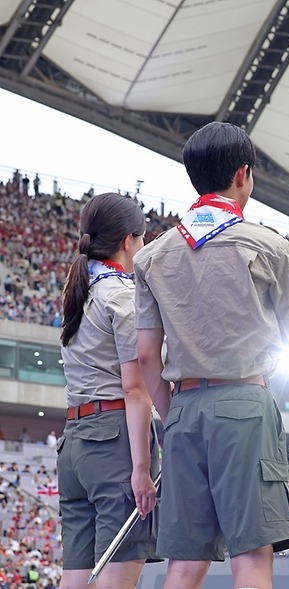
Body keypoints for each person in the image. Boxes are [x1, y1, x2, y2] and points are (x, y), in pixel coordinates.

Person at [134, 122, 289, 589]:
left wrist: (172, 413)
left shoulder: (151, 256)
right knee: (251, 555)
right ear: (243, 174)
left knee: (184, 561)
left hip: (183, 410)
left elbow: (147, 356)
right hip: (244, 403)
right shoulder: (269, 244)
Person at [58, 192, 158, 589]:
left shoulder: (78, 291)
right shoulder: (122, 295)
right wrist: (141, 469)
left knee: (75, 577)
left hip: (75, 441)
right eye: (143, 237)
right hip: (114, 443)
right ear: (128, 240)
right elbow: (135, 390)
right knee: (117, 576)